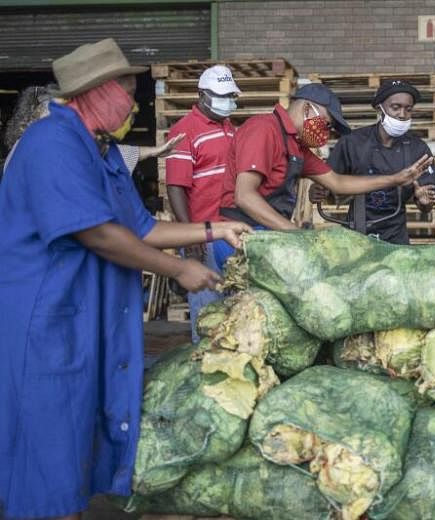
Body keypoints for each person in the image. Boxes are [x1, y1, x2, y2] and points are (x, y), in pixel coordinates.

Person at [0, 38, 249, 519]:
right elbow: (96, 232)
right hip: (45, 319)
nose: (133, 104)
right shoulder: (51, 142)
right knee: (46, 446)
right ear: (94, 91)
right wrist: (180, 268)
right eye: (127, 92)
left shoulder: (102, 151)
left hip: (83, 315)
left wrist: (215, 227)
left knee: (75, 440)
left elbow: (143, 227)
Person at [215, 83, 432, 265]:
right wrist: (299, 235)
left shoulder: (297, 146)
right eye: (326, 124)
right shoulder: (263, 129)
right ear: (308, 110)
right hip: (239, 236)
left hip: (268, 233)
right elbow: (244, 197)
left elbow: (337, 182)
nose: (325, 133)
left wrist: (396, 179)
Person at [307, 79, 435, 244]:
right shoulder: (353, 142)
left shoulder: (417, 149)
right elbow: (328, 182)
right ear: (380, 109)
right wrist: (318, 192)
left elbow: (427, 204)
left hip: (396, 239)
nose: (402, 114)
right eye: (395, 107)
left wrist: (424, 202)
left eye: (408, 109)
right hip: (356, 237)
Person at [165, 65, 240, 340]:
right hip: (203, 236)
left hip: (231, 233)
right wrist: (189, 236)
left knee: (236, 309)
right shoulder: (184, 131)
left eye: (230, 95)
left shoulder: (230, 128)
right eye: (220, 95)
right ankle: (206, 366)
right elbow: (175, 187)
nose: (227, 100)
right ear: (201, 95)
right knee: (208, 313)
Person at [1, 84, 184, 177]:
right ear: (30, 121)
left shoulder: (58, 144)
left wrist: (155, 151)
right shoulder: (36, 149)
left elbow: (108, 154)